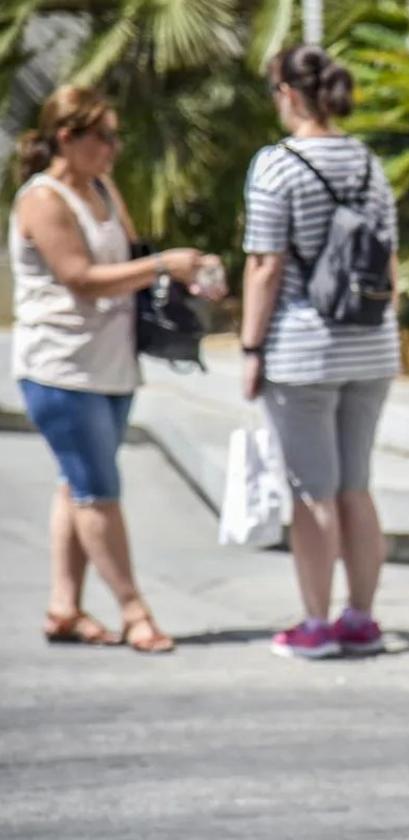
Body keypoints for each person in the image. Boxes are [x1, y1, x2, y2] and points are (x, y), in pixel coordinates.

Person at [10, 85, 224, 653]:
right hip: (60, 369)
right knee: (97, 491)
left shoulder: (102, 188)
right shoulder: (43, 199)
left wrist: (187, 272)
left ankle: (64, 606)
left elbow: (130, 260)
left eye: (115, 136)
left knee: (76, 485)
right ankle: (135, 612)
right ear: (68, 138)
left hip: (111, 364)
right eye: (103, 136)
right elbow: (78, 275)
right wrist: (161, 264)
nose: (113, 148)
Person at [240, 45, 400, 659]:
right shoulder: (368, 163)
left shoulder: (275, 166)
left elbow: (264, 265)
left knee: (313, 490)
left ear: (285, 92)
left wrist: (252, 347)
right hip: (371, 344)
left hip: (303, 348)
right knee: (355, 486)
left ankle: (314, 624)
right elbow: (387, 261)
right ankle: (360, 618)